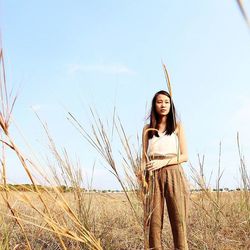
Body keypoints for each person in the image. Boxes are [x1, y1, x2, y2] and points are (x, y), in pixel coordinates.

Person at [142, 90, 189, 250]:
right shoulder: (147, 129)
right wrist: (141, 176)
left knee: (178, 220)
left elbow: (184, 156)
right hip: (153, 175)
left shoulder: (177, 126)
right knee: (153, 223)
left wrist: (163, 163)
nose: (163, 105)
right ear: (154, 105)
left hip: (173, 172)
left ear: (171, 105)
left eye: (166, 102)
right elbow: (143, 157)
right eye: (159, 102)